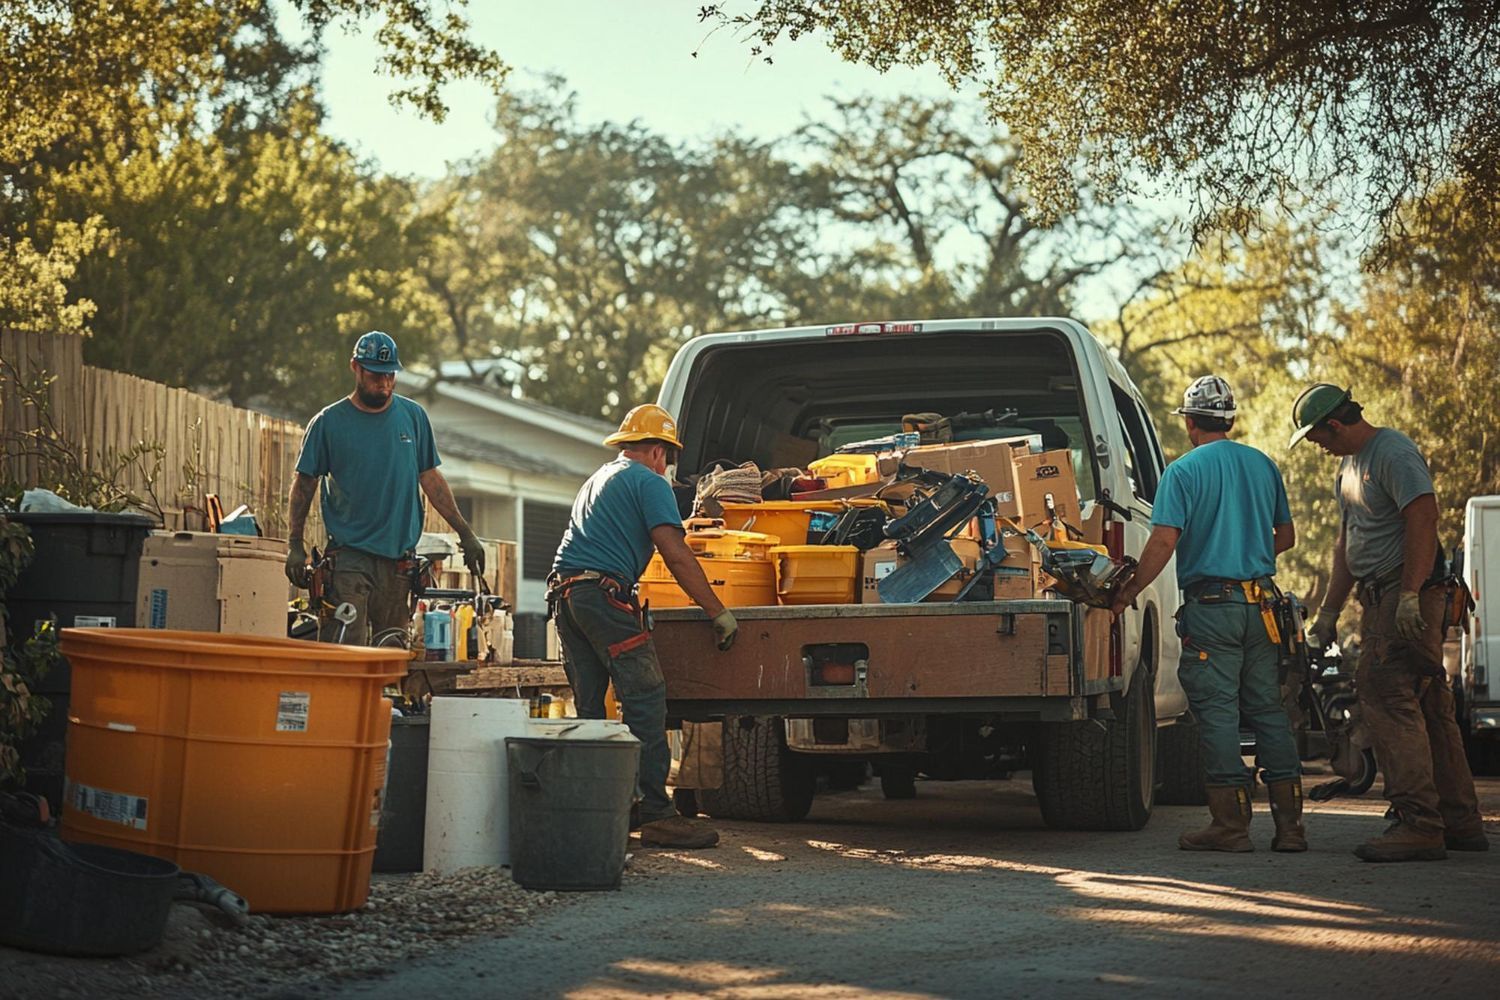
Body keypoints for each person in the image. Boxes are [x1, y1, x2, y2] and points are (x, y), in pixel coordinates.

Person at [1290, 383, 1486, 861]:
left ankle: (1417, 822)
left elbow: (1424, 516)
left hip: (1404, 593)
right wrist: (1330, 613)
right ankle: (1458, 822)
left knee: (1387, 696)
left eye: (1317, 437)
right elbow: (1347, 543)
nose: (1317, 446)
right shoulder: (1348, 469)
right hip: (1379, 592)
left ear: (1335, 424)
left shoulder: (1392, 452)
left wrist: (1410, 596)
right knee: (1429, 705)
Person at [1110, 375, 1305, 853]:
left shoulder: (1182, 472)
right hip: (1261, 607)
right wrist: (1248, 552)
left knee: (1218, 713)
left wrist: (1128, 589)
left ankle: (1230, 826)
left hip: (1213, 608)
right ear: (1231, 420)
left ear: (1190, 423)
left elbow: (1162, 541)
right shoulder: (1263, 466)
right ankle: (1291, 829)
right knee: (1268, 711)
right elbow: (1286, 537)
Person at [549, 403, 738, 850]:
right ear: (657, 451)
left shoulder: (597, 479)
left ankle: (602, 810)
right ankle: (656, 814)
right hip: (604, 598)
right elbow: (675, 554)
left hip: (566, 596)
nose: (668, 467)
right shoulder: (649, 482)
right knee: (645, 699)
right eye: (668, 458)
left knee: (592, 709)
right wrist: (717, 611)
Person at [285, 331, 485, 645]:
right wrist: (294, 544)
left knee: (392, 655)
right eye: (376, 375)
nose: (384, 383)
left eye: (390, 375)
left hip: (399, 564)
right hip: (350, 559)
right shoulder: (328, 423)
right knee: (342, 651)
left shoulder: (413, 417)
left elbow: (431, 480)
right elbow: (304, 484)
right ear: (356, 367)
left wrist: (465, 532)